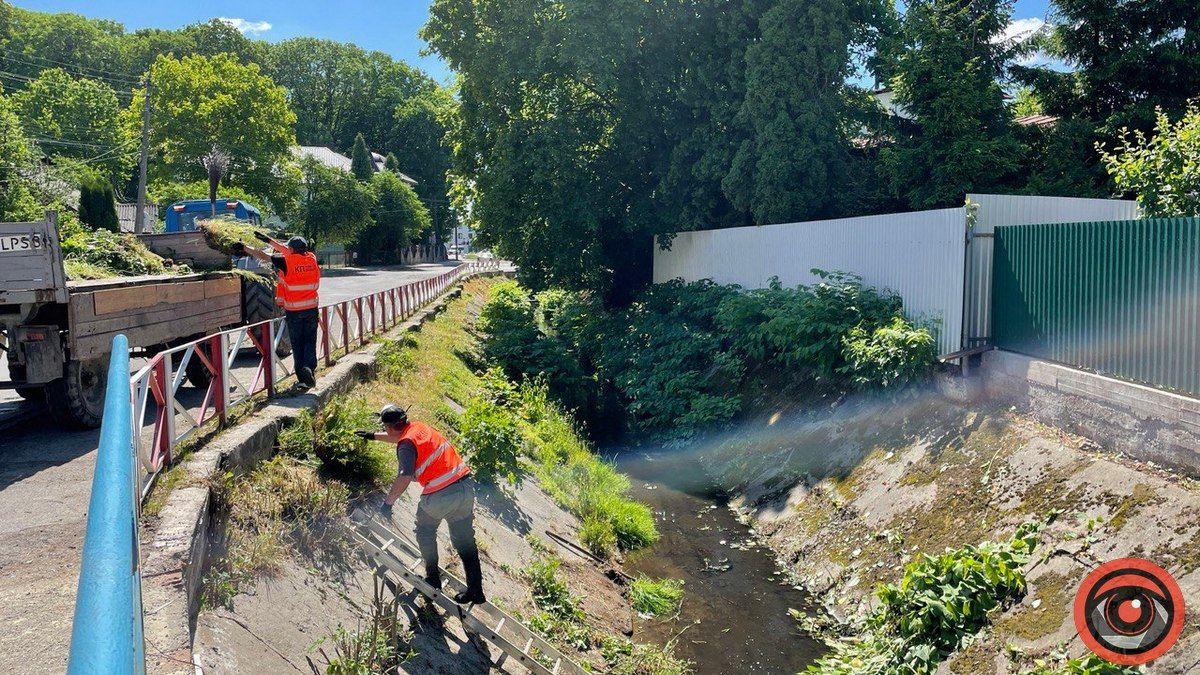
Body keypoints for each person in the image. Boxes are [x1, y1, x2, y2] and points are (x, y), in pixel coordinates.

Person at [355, 405, 486, 605]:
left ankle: (433, 580)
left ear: (390, 426)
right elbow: (400, 437)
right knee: (465, 541)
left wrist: (388, 504)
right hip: (465, 487)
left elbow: (405, 475)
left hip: (441, 494)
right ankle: (476, 590)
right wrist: (373, 436)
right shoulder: (420, 428)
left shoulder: (406, 444)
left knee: (425, 531)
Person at [235, 233, 320, 390]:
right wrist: (268, 240)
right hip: (311, 309)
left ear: (291, 249)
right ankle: (309, 369)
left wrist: (245, 248)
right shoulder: (312, 259)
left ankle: (303, 378)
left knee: (297, 344)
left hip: (294, 311)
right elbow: (289, 251)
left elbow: (263, 256)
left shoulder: (286, 262)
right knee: (309, 341)